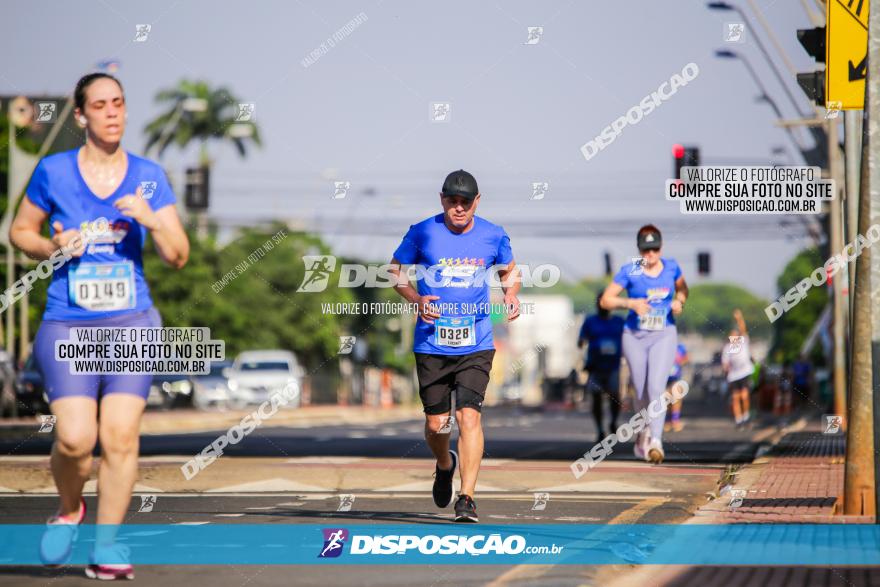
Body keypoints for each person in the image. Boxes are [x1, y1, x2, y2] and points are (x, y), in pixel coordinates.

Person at [10, 73, 189, 580]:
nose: (112, 112)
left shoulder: (150, 175)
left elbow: (178, 256)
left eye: (119, 103)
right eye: (100, 105)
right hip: (68, 323)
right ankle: (69, 510)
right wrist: (52, 247)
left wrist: (153, 220)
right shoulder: (54, 171)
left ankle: (107, 545)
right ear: (81, 115)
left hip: (132, 324)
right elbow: (19, 231)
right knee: (73, 439)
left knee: (120, 436)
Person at [390, 169, 520, 523]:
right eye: (452, 201)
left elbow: (510, 270)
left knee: (468, 416)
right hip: (431, 342)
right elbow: (395, 271)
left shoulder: (493, 235)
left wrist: (510, 293)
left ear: (477, 201)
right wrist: (416, 298)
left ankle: (467, 498)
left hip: (476, 340)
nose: (458, 208)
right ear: (442, 199)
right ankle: (445, 464)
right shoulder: (422, 232)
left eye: (466, 202)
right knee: (437, 425)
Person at [600, 225, 688, 464]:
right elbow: (606, 300)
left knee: (656, 387)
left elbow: (682, 289)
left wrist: (679, 300)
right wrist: (631, 304)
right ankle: (643, 431)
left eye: (655, 249)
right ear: (639, 250)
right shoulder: (631, 270)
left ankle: (656, 441)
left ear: (661, 248)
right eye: (646, 250)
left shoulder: (671, 267)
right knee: (640, 391)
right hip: (635, 335)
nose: (650, 255)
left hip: (664, 334)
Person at [578, 293, 625, 444]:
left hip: (613, 366)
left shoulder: (619, 322)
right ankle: (599, 429)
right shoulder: (590, 321)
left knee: (615, 396)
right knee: (596, 398)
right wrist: (582, 344)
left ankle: (613, 421)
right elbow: (581, 341)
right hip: (595, 367)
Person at [721, 309, 755, 428]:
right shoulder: (727, 348)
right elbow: (725, 363)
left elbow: (743, 329)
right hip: (734, 375)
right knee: (736, 397)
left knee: (744, 396)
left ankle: (746, 416)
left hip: (744, 372)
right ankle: (738, 420)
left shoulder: (743, 342)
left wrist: (739, 318)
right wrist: (725, 369)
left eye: (735, 334)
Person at [664, 342, 689, 432]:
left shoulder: (680, 347)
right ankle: (667, 421)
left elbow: (687, 358)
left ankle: (675, 421)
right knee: (666, 400)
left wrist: (679, 363)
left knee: (677, 398)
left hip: (675, 377)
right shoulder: (662, 345)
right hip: (663, 378)